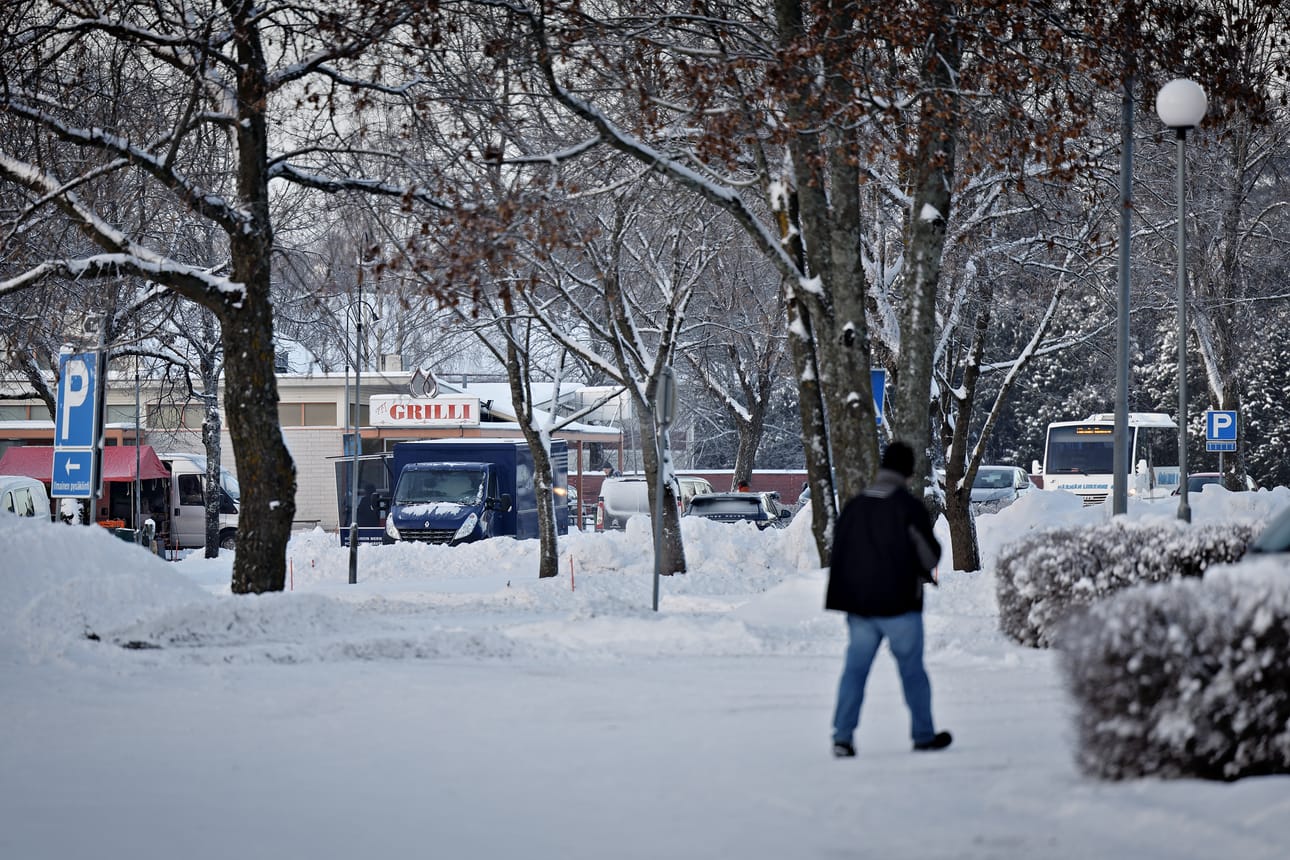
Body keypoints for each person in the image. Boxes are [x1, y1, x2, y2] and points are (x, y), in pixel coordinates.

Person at [825, 440, 951, 757]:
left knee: (854, 671)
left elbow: (838, 552)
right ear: (909, 472)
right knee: (912, 672)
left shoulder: (854, 506)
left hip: (860, 606)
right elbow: (929, 556)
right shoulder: (908, 507)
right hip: (900, 605)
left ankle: (842, 737)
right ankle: (923, 735)